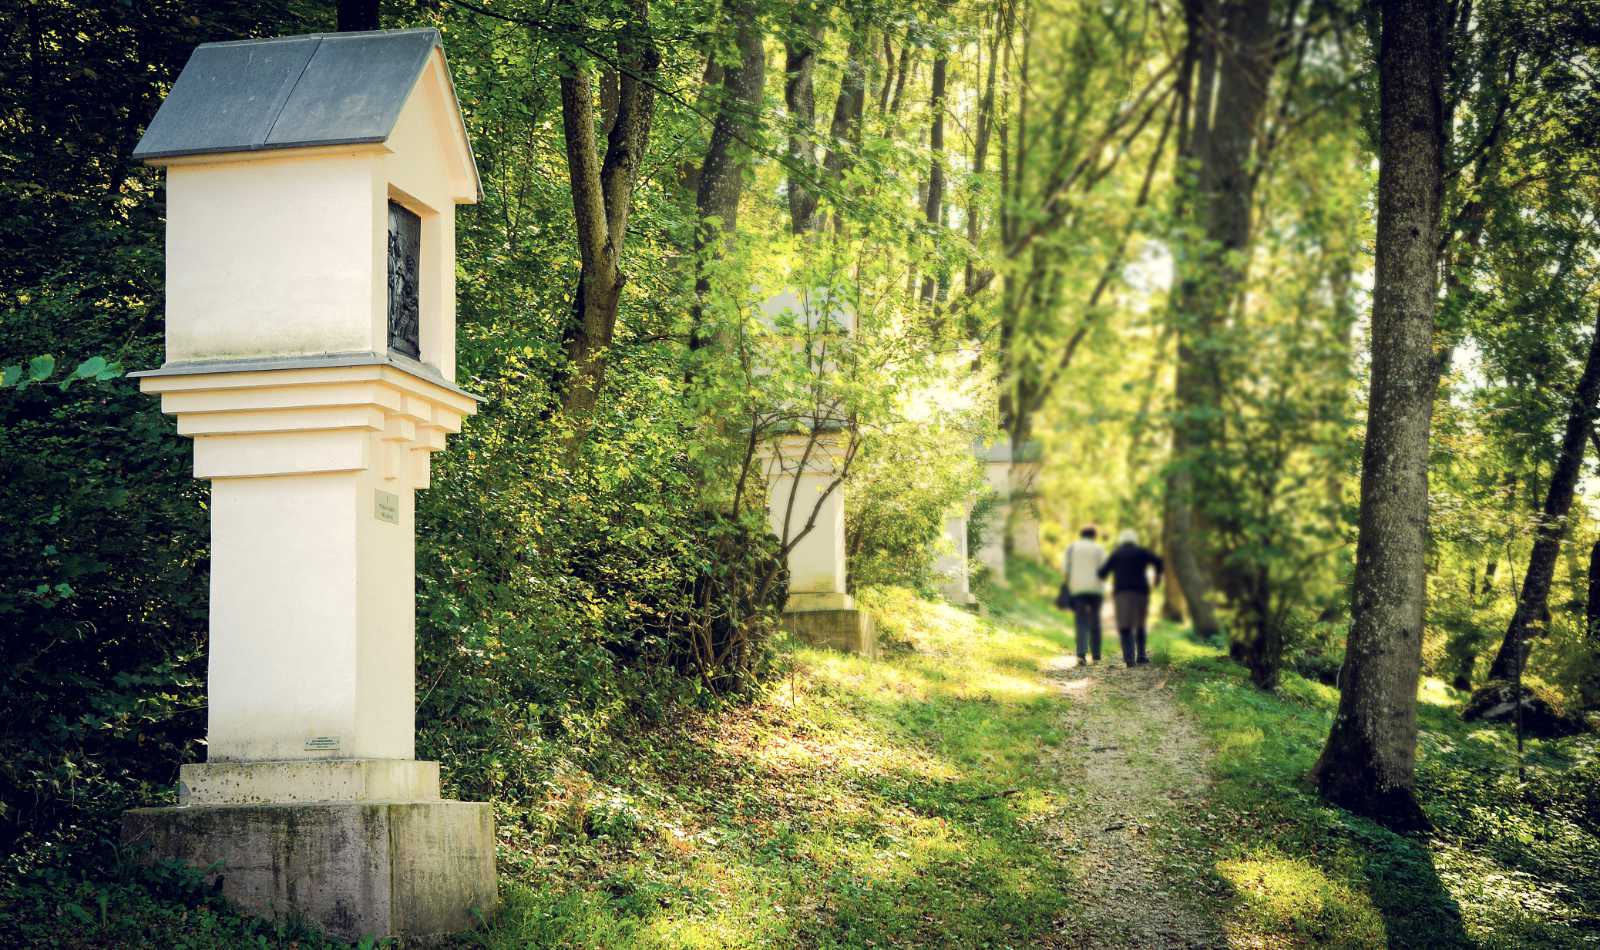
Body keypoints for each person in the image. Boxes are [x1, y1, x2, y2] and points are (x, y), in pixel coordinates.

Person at [1098, 528, 1164, 667]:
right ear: (1135, 540)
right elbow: (1159, 561)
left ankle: (1129, 659)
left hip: (1122, 594)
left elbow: (1103, 573)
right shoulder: (1142, 552)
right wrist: (1157, 578)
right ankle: (1141, 655)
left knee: (1125, 626)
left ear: (1122, 540)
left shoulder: (1117, 553)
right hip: (1141, 593)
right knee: (1140, 624)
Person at [1063, 525, 1107, 665]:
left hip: (1078, 590)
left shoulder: (1072, 548)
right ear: (1094, 536)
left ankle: (1081, 655)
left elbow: (1065, 570)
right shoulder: (1099, 549)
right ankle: (1096, 656)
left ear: (1081, 535)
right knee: (1095, 621)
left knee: (1081, 621)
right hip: (1096, 590)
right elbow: (1104, 570)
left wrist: (1070, 585)